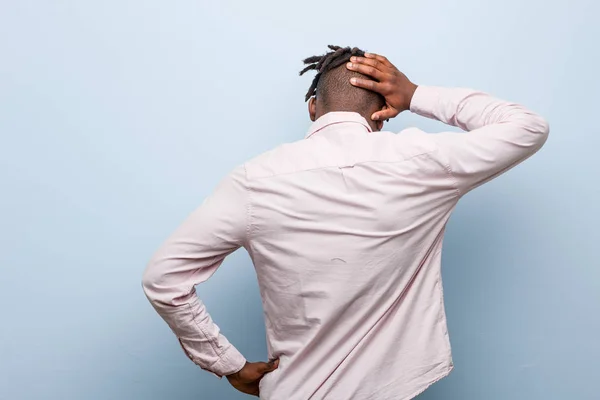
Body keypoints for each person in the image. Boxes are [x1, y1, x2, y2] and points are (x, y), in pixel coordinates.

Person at [142, 45, 549, 399]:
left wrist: (227, 363)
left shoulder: (253, 180)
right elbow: (528, 127)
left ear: (313, 107)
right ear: (382, 114)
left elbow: (163, 280)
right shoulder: (423, 163)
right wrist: (415, 95)